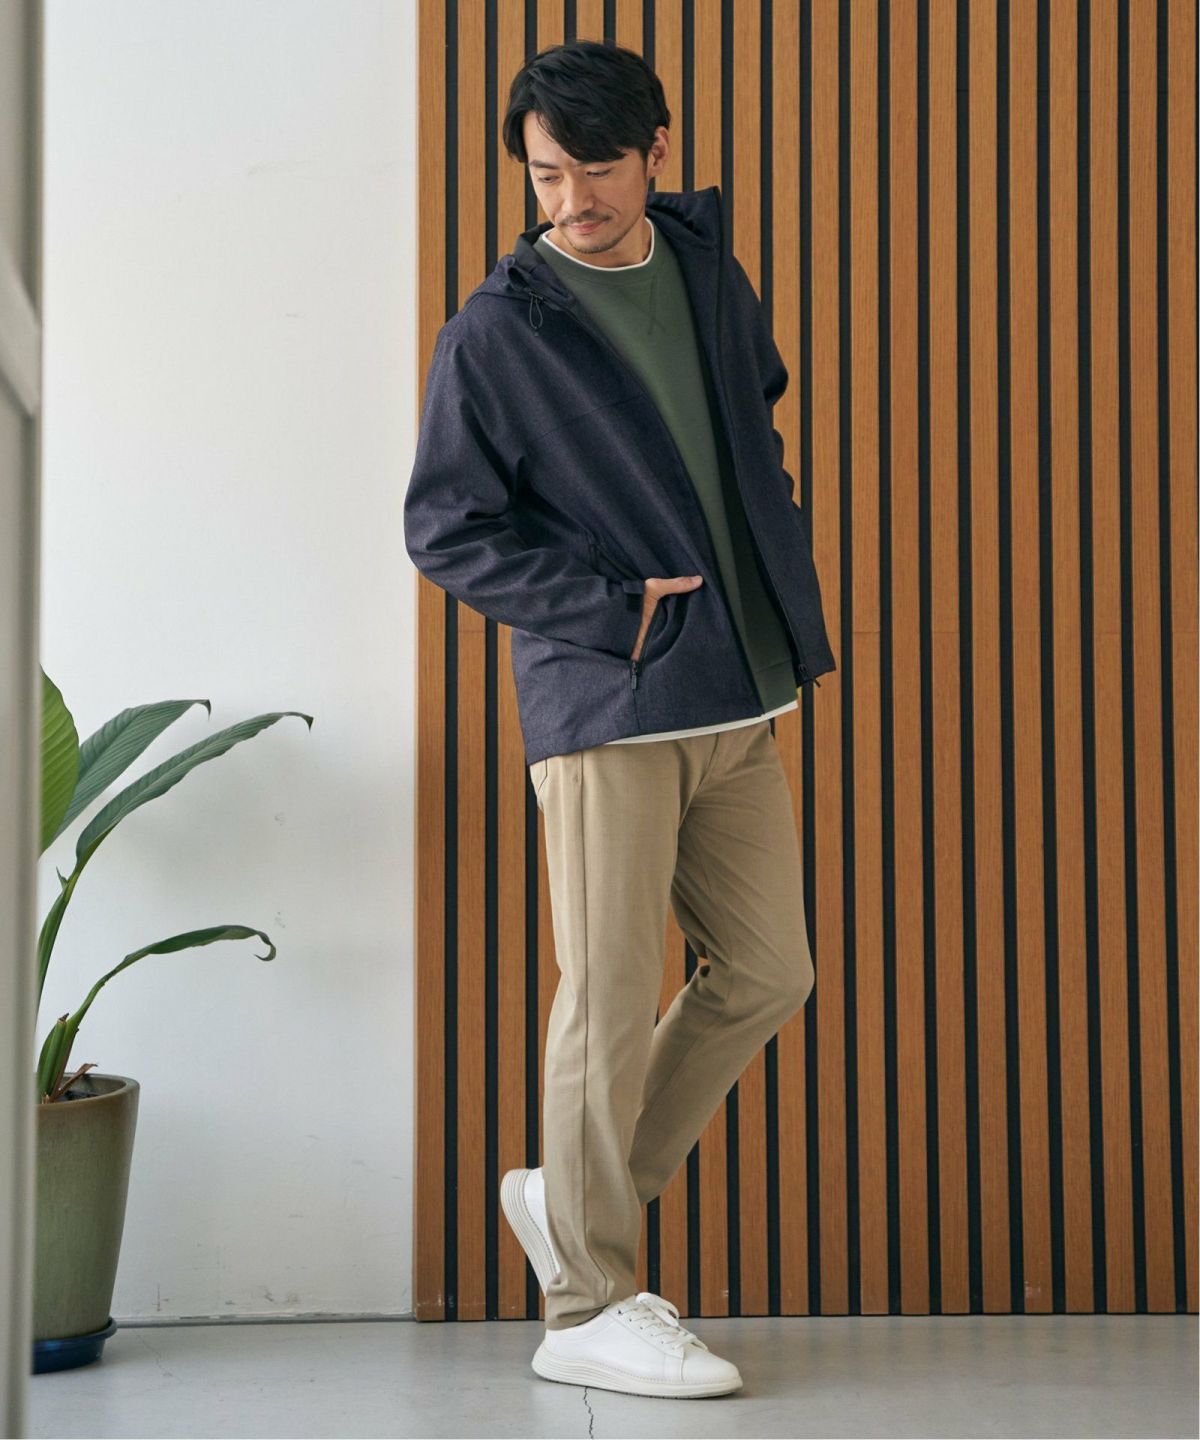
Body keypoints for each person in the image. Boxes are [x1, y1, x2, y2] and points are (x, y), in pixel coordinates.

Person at [404, 38, 836, 1401]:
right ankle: (585, 1301)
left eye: (595, 167)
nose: (572, 199)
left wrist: (773, 556)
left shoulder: (705, 269)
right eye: (546, 175)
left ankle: (569, 1195)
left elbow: (753, 418)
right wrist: (610, 609)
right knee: (604, 991)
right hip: (608, 698)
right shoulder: (499, 329)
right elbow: (446, 525)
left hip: (738, 684)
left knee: (767, 971)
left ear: (655, 152)